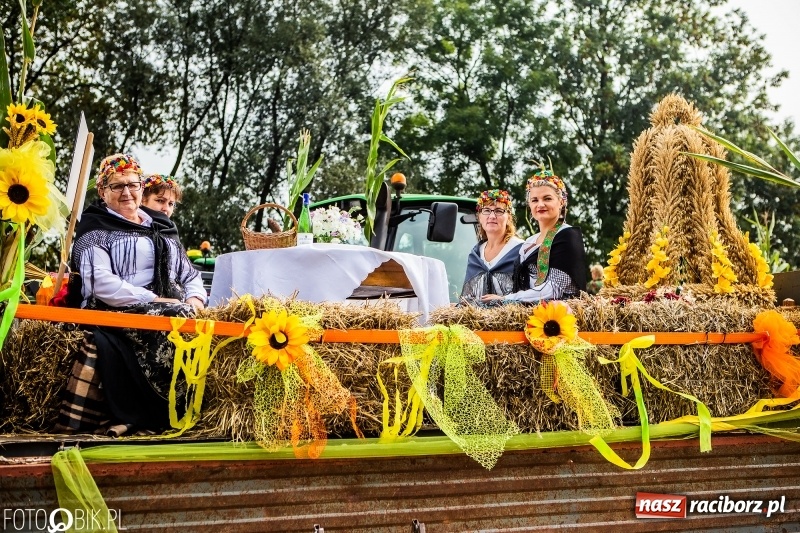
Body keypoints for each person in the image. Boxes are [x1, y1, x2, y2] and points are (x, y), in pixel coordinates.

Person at [55, 153, 206, 435]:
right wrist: (156, 300)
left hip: (169, 306)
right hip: (113, 309)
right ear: (102, 192)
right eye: (117, 186)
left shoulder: (160, 226)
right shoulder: (95, 228)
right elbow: (101, 283)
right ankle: (157, 413)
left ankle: (188, 410)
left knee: (200, 319)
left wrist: (196, 299)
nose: (127, 192)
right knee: (177, 315)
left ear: (141, 186)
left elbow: (190, 275)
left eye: (133, 185)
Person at [481, 168, 586, 304]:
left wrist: (506, 299)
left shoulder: (567, 236)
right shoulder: (528, 242)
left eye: (547, 198)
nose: (540, 204)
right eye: (535, 200)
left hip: (557, 315)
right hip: (526, 312)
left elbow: (554, 289)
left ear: (561, 202)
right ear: (529, 204)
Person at [460, 189, 524, 303]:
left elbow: (532, 294)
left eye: (499, 211)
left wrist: (504, 300)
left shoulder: (521, 249)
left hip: (511, 319)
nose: (492, 216)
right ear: (479, 216)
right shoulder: (476, 253)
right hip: (477, 320)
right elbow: (468, 298)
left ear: (508, 217)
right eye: (486, 210)